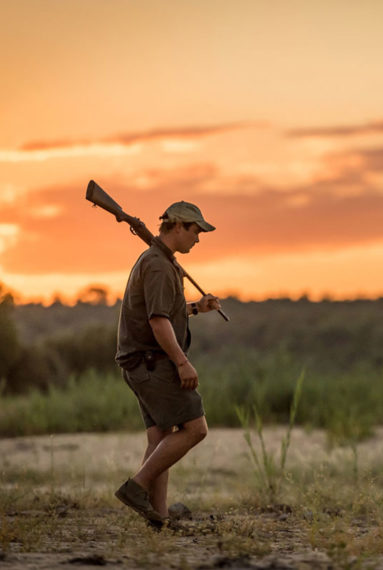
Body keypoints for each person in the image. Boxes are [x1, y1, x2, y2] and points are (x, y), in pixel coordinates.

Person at [113, 200, 222, 528]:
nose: (198, 238)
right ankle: (136, 488)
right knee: (195, 428)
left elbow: (161, 313)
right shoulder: (159, 265)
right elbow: (159, 322)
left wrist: (194, 309)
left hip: (139, 363)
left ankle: (158, 517)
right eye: (195, 230)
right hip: (152, 362)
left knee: (161, 437)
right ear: (177, 226)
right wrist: (182, 363)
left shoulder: (160, 261)